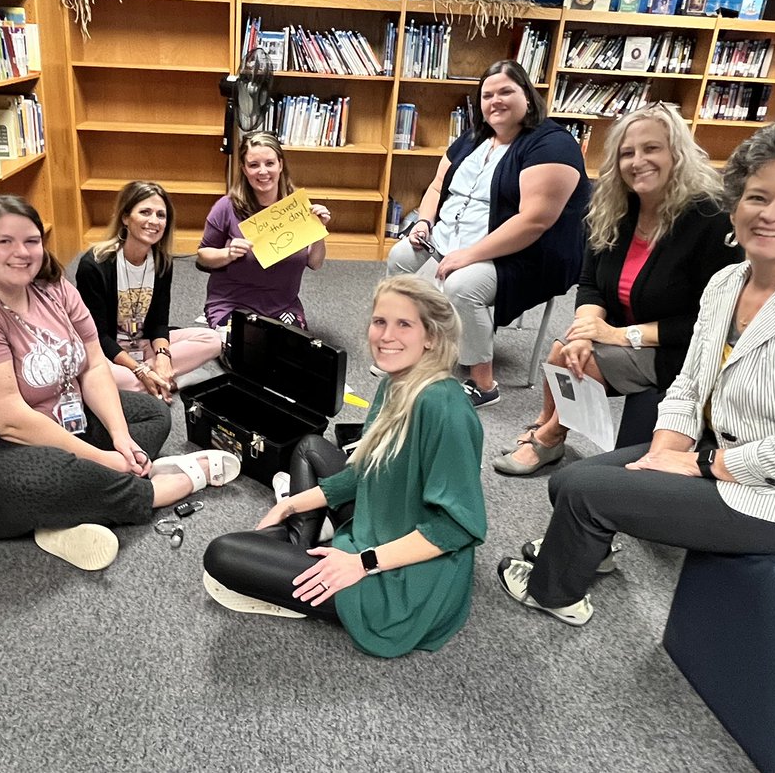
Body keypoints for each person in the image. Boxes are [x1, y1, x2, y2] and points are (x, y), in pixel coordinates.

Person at [495, 118, 775, 626]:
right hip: (721, 449)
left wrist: (698, 466)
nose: (770, 215)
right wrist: (666, 450)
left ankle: (553, 593)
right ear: (736, 204)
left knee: (584, 493)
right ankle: (592, 550)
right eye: (757, 197)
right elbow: (689, 383)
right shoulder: (728, 282)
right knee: (571, 479)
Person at [0, 196, 241, 572]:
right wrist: (103, 458)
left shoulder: (52, 287)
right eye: (4, 242)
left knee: (152, 415)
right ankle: (152, 490)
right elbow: (9, 422)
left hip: (51, 419)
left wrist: (120, 438)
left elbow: (92, 364)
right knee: (54, 475)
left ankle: (60, 517)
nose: (21, 253)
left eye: (31, 240)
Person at [202, 275, 486, 658]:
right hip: (384, 521)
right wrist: (290, 505)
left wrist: (363, 563)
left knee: (221, 555)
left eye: (404, 324)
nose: (386, 336)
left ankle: (301, 559)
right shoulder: (396, 382)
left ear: (431, 336)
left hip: (408, 581)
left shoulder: (444, 408)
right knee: (310, 447)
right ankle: (300, 549)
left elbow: (456, 526)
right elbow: (365, 471)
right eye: (379, 321)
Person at [496, 103, 741, 475]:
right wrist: (584, 329)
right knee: (561, 352)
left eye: (651, 148)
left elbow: (711, 321)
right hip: (623, 333)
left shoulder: (709, 218)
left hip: (681, 347)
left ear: (677, 152)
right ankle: (544, 427)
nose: (638, 161)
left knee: (588, 364)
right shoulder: (613, 208)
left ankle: (549, 438)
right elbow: (591, 284)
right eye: (627, 153)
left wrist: (618, 335)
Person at [388, 59, 591, 408]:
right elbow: (437, 187)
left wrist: (469, 255)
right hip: (450, 237)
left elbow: (534, 222)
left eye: (505, 92)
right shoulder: (474, 139)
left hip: (524, 252)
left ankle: (483, 383)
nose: (495, 101)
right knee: (400, 258)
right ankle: (412, 346)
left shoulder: (552, 146)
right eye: (487, 95)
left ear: (527, 96)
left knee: (461, 286)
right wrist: (423, 222)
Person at [75, 181, 221, 403]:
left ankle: (157, 379)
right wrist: (139, 370)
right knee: (94, 376)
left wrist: (162, 357)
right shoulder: (95, 265)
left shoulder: (162, 263)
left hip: (145, 346)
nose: (154, 221)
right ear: (125, 217)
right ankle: (169, 381)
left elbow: (159, 324)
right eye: (145, 212)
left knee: (213, 339)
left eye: (161, 215)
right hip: (111, 353)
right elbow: (98, 336)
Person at [197, 132, 330, 330]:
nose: (263, 171)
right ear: (243, 169)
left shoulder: (296, 208)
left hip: (283, 305)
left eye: (269, 163)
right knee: (243, 354)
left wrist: (319, 231)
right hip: (232, 303)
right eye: (253, 165)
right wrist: (228, 254)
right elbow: (202, 256)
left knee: (291, 356)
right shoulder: (227, 206)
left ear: (280, 165)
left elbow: (315, 263)